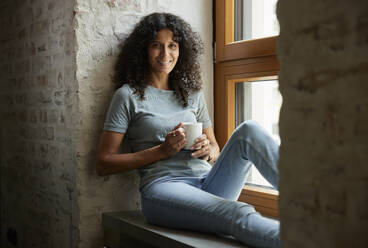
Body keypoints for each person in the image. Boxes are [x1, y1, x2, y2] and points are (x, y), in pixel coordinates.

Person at [96, 12, 281, 248]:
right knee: (239, 212)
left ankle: (308, 204)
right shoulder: (127, 96)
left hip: (208, 182)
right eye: (156, 46)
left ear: (181, 49)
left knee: (249, 130)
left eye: (172, 45)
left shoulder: (192, 94)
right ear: (143, 50)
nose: (165, 54)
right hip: (163, 190)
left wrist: (209, 148)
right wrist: (160, 151)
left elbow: (215, 149)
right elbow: (103, 163)